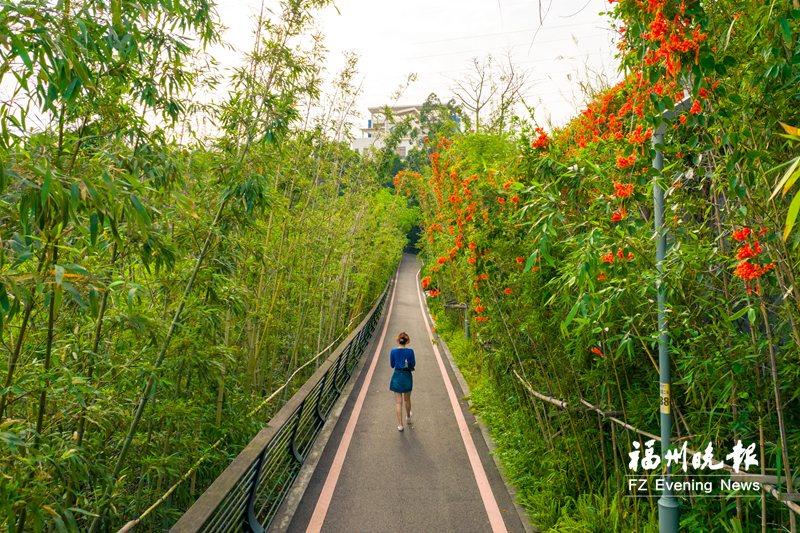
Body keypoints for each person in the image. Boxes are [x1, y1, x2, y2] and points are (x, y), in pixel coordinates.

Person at [389, 332, 415, 431]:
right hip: (407, 376)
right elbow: (412, 364)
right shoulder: (410, 352)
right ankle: (408, 417)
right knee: (407, 399)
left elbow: (392, 365)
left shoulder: (393, 351)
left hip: (397, 377)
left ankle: (400, 425)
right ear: (407, 341)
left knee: (398, 402)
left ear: (398, 341)